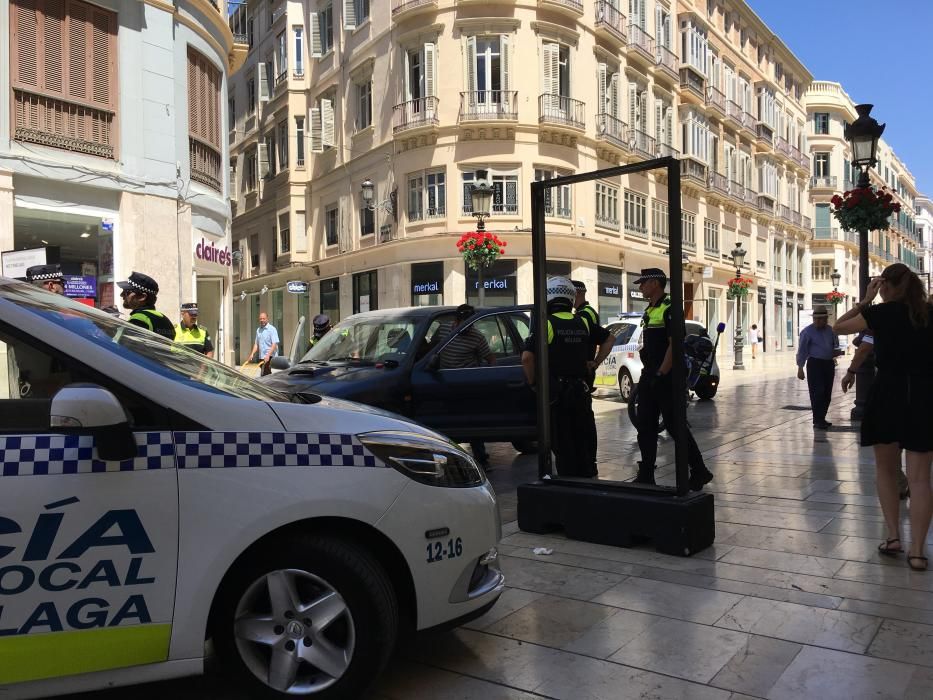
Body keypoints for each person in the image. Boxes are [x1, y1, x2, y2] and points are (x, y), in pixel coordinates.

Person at [834, 263, 933, 571]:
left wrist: (866, 300)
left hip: (888, 392)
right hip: (923, 396)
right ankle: (917, 552)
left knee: (886, 470)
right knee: (920, 479)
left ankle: (893, 537)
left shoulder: (881, 313)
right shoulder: (929, 314)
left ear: (886, 286)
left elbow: (839, 326)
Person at [521, 277, 614, 478]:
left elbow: (527, 358)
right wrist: (595, 362)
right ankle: (588, 474)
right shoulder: (583, 322)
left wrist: (534, 383)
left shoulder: (546, 324)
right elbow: (610, 338)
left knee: (562, 441)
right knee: (584, 436)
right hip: (581, 391)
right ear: (570, 298)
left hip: (557, 394)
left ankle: (568, 482)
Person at [633, 268, 713, 489]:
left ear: (655, 284)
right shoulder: (651, 308)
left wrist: (661, 373)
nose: (640, 287)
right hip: (651, 375)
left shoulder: (670, 308)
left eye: (643, 283)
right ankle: (647, 473)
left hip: (666, 378)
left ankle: (699, 471)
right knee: (645, 425)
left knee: (675, 426)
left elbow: (674, 344)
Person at [840, 332, 910, 501]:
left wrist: (850, 372)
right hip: (918, 388)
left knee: (888, 444)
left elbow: (842, 328)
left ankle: (903, 484)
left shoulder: (879, 319)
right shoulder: (922, 317)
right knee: (911, 447)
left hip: (890, 390)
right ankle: (907, 484)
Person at [438, 304, 496, 468]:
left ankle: (482, 459)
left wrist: (485, 375)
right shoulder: (443, 330)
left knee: (473, 423)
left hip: (467, 384)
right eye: (465, 322)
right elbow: (431, 348)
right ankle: (448, 458)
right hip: (444, 383)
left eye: (471, 323)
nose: (468, 327)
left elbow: (491, 359)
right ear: (456, 320)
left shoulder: (477, 337)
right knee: (448, 423)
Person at [796, 307, 840, 429]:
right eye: (817, 319)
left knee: (827, 392)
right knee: (817, 392)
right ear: (814, 319)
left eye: (822, 319)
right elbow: (802, 351)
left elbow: (835, 345)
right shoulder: (807, 332)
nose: (819, 321)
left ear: (826, 319)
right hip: (815, 364)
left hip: (828, 364)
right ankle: (818, 419)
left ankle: (822, 417)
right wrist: (800, 368)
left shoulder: (830, 330)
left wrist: (836, 352)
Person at [117, 271, 176, 340]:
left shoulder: (139, 319)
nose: (121, 295)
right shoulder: (165, 320)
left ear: (142, 297)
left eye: (126, 292)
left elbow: (125, 347)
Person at [247, 312, 279, 376]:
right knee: (265, 372)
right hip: (262, 356)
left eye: (263, 318)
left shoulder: (272, 329)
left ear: (267, 319)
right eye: (260, 319)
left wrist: (268, 355)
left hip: (270, 356)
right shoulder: (258, 330)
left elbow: (274, 344)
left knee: (265, 372)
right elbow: (256, 344)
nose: (262, 320)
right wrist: (252, 354)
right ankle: (268, 384)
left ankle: (266, 384)